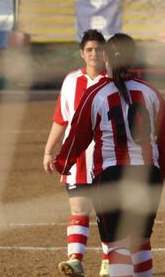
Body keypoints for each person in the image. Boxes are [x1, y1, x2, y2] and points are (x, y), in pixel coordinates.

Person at [54, 33, 164, 276]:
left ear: (105, 57)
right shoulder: (152, 92)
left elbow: (77, 136)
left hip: (112, 176)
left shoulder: (96, 94)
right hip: (148, 175)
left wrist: (63, 162)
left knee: (117, 247)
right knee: (141, 243)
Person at [43, 29, 109, 276]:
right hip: (77, 158)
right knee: (79, 210)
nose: (94, 53)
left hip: (107, 158)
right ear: (82, 53)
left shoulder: (113, 80)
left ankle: (108, 262)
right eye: (89, 49)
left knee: (105, 213)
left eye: (98, 49)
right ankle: (75, 260)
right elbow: (61, 118)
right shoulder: (71, 81)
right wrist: (49, 150)